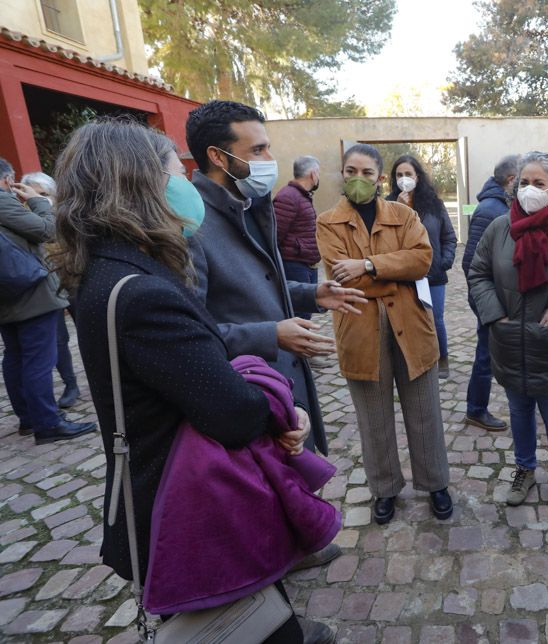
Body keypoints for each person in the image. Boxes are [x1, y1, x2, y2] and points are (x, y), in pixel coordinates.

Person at [51, 120, 334, 643]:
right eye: (170, 172)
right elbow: (230, 410)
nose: (180, 183)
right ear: (138, 185)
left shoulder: (109, 272)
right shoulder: (142, 292)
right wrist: (279, 407)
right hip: (189, 497)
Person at [185, 100, 366, 460]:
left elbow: (260, 285)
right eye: (257, 149)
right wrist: (272, 335)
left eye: (267, 146)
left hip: (288, 389)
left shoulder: (253, 204)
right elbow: (190, 335)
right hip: (250, 398)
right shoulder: (192, 226)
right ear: (218, 157)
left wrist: (312, 293)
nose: (270, 157)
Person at [316, 144, 453, 526]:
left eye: (365, 172)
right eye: (350, 171)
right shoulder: (328, 222)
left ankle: (435, 483)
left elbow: (423, 260)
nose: (357, 178)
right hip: (360, 330)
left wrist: (369, 264)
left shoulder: (404, 214)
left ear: (379, 178)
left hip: (412, 328)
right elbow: (341, 277)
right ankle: (384, 489)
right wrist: (393, 275)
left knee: (425, 412)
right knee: (373, 419)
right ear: (342, 174)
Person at [468, 152, 548, 513]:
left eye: (539, 183)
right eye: (523, 182)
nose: (529, 190)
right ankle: (524, 468)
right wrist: (495, 315)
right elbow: (478, 273)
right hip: (508, 340)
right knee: (518, 410)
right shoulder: (500, 227)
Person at [0, 158, 95, 444]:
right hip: (30, 293)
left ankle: (29, 420)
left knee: (15, 356)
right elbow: (48, 230)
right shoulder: (3, 201)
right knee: (38, 360)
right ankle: (47, 423)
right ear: (7, 179)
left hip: (8, 294)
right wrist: (38, 201)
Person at [461, 155, 518, 431]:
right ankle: (476, 409)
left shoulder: (502, 204)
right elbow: (471, 263)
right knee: (486, 354)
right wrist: (489, 306)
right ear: (511, 180)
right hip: (492, 301)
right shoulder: (490, 210)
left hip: (506, 298)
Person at [387, 154, 457, 379]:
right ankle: (414, 360)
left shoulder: (434, 204)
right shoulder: (388, 204)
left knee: (435, 318)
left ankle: (442, 358)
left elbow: (449, 236)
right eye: (399, 175)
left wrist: (443, 262)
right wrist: (398, 208)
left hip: (432, 275)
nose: (404, 178)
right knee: (407, 318)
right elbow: (386, 239)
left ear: (418, 176)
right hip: (403, 273)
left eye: (408, 174)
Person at [21, 171, 80, 408]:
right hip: (48, 284)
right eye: (34, 195)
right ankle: (71, 384)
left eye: (44, 194)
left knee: (88, 331)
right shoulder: (25, 220)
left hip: (75, 278)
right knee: (58, 340)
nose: (40, 199)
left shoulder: (69, 214)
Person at [273, 155, 322, 319]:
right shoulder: (289, 196)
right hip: (294, 266)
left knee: (305, 314)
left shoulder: (301, 196)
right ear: (313, 174)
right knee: (299, 316)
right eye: (319, 174)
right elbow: (275, 235)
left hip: (305, 265)